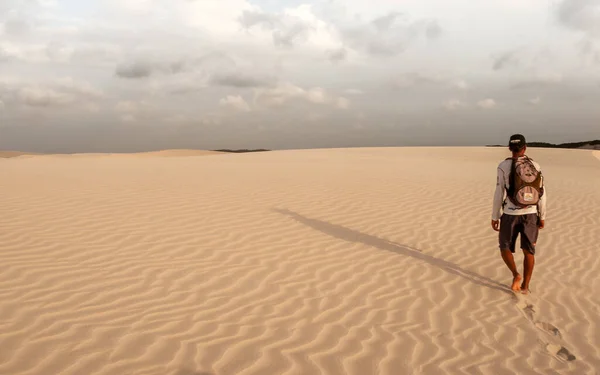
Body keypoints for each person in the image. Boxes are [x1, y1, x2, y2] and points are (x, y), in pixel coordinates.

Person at [491, 134, 546, 294]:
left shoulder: (503, 166)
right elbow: (542, 193)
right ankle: (526, 287)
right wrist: (542, 216)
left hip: (509, 213)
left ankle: (516, 274)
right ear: (525, 148)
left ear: (509, 148)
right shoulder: (535, 165)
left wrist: (495, 216)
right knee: (529, 251)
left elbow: (499, 191)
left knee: (504, 247)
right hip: (531, 214)